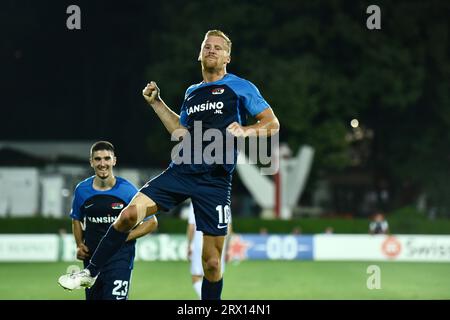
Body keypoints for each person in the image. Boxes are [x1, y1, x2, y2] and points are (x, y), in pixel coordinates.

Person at [58, 29, 279, 300]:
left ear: (227, 58)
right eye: (206, 46)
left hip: (215, 181)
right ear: (199, 54)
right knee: (128, 215)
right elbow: (181, 132)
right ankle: (89, 273)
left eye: (218, 47)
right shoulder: (192, 93)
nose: (211, 49)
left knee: (211, 263)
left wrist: (246, 131)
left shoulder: (241, 86)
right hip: (182, 170)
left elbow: (271, 123)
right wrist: (157, 103)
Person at [61, 141, 158, 300]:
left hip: (119, 259)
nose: (102, 163)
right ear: (91, 162)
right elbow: (76, 219)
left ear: (114, 160)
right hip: (92, 261)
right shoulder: (82, 190)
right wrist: (79, 244)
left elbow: (151, 222)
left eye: (107, 158)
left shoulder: (128, 190)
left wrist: (122, 237)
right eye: (98, 159)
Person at [185, 201, 231, 299]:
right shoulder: (224, 199)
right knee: (215, 276)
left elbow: (191, 226)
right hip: (220, 243)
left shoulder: (195, 200)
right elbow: (228, 227)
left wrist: (189, 245)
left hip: (200, 243)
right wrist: (227, 248)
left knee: (196, 277)